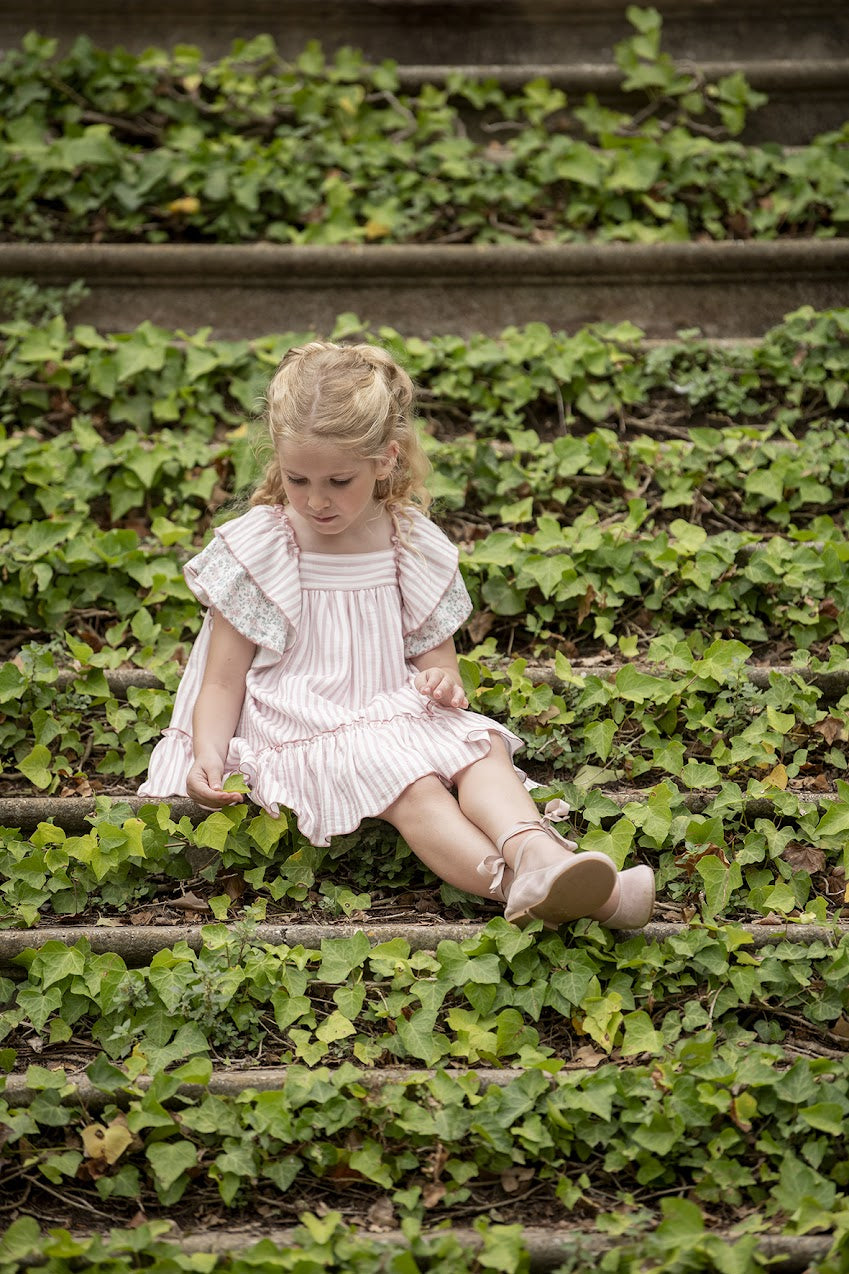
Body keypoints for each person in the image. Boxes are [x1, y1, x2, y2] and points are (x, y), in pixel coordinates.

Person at [139, 341, 654, 929]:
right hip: (304, 719)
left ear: (384, 460)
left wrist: (442, 684)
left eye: (338, 479)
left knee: (480, 748)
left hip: (391, 709)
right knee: (415, 787)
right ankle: (547, 890)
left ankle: (533, 849)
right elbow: (223, 679)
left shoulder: (407, 543)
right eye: (297, 478)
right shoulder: (264, 545)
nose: (314, 499)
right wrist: (208, 754)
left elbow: (441, 666)